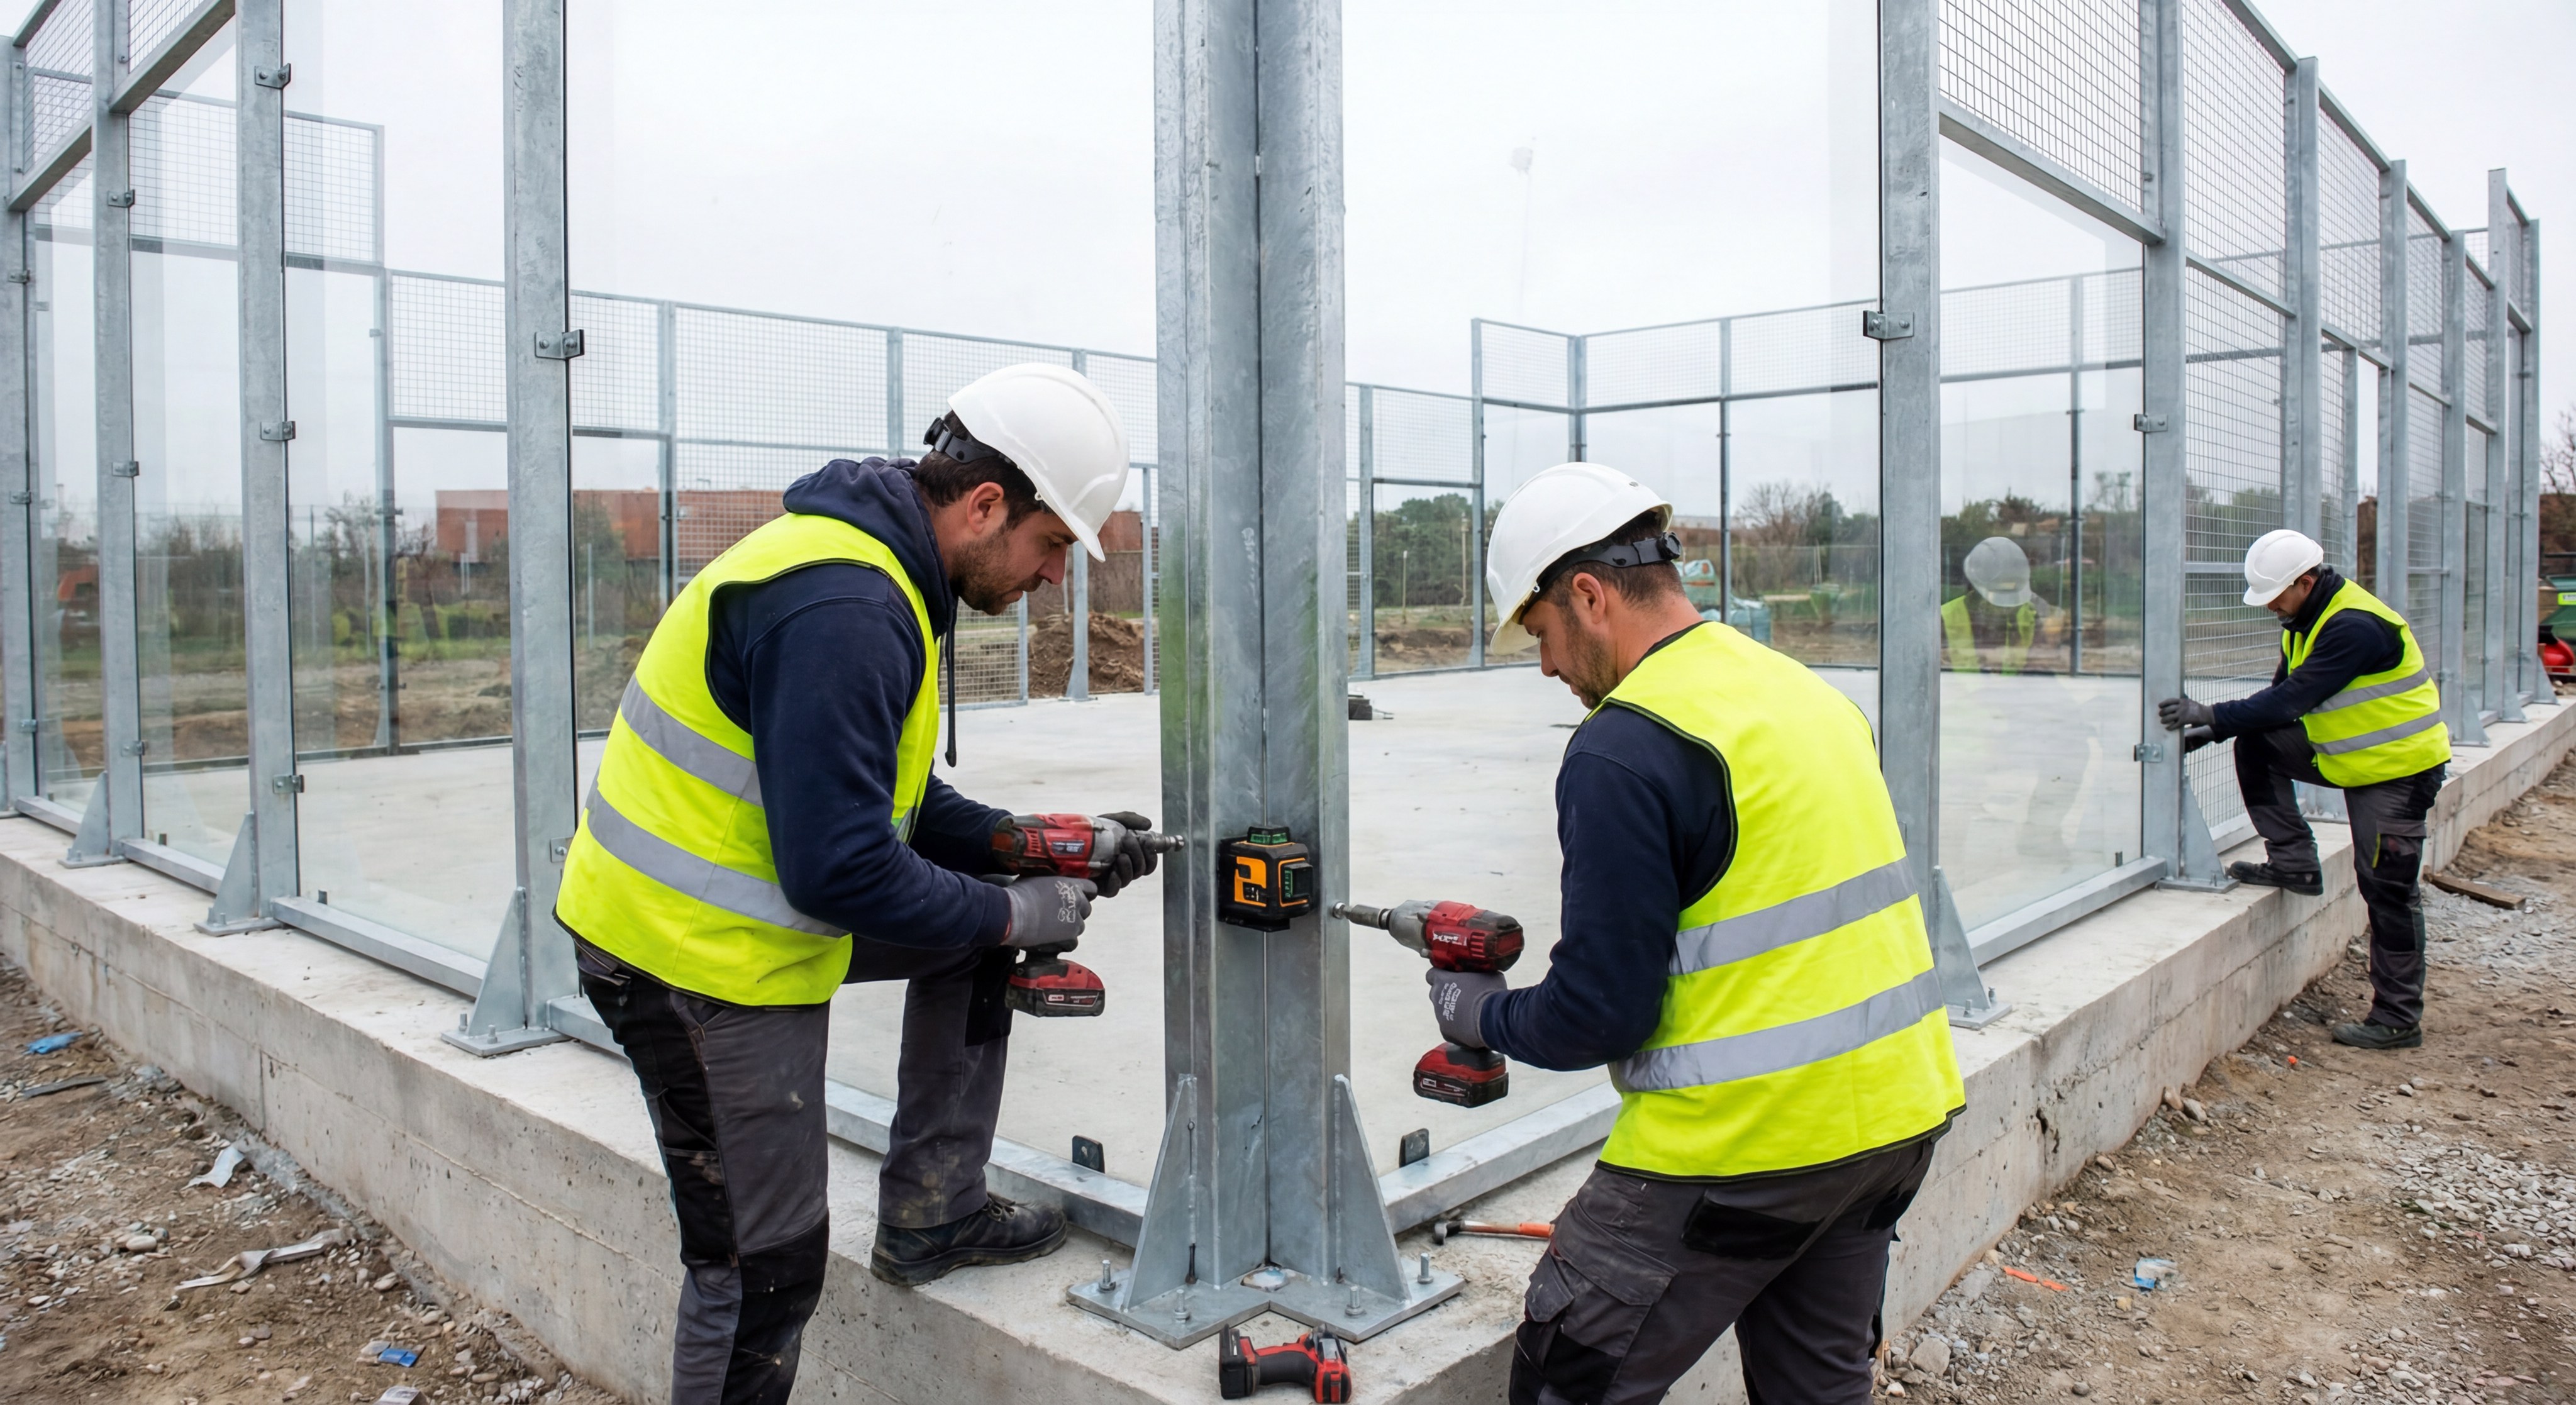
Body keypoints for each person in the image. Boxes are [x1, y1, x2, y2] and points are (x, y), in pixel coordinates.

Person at [555, 364, 1162, 1404]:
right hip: (688, 954)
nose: (1056, 576)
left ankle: (936, 1210)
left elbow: (902, 807)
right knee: (760, 1261)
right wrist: (1020, 903)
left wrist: (1032, 844)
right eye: (1053, 543)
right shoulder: (846, 603)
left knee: (976, 931)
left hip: (738, 911)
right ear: (983, 506)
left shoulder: (882, 574)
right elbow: (840, 867)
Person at [1439, 460, 1967, 1405]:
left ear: (1590, 596)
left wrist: (1483, 1013)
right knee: (1818, 1387)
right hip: (1895, 1119)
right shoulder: (1807, 693)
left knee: (1568, 1382)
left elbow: (1601, 1014)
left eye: (1543, 632)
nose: (1549, 666)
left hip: (1742, 1151)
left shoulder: (1624, 745)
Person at [2157, 528, 2448, 1052]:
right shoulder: (2304, 619)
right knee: (2257, 744)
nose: (2269, 607)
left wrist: (2211, 713)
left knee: (2386, 887)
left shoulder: (2355, 627)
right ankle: (2294, 863)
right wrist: (2218, 729)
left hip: (2398, 774)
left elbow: (2294, 698)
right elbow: (2278, 698)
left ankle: (2398, 1017)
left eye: (2274, 596)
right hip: (2355, 760)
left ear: (2306, 581)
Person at [1941, 535, 2063, 675]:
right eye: (2000, 595)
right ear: (1975, 588)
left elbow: (2042, 672)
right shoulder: (1943, 619)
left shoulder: (2030, 615)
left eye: (2012, 595)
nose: (2007, 607)